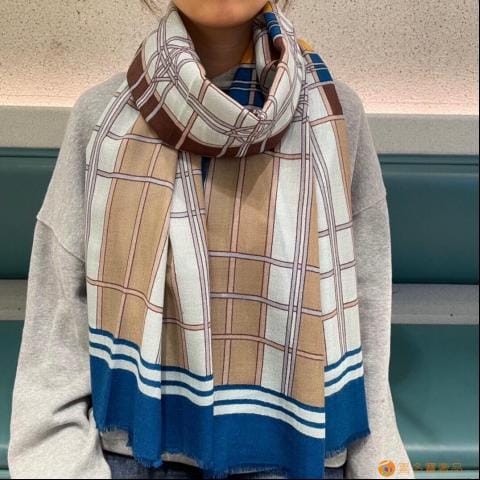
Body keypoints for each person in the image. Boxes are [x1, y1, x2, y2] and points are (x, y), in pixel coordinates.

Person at [8, 0, 414, 478]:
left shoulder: (334, 116)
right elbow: (59, 327)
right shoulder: (101, 117)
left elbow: (363, 310)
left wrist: (382, 466)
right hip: (136, 452)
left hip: (299, 451)